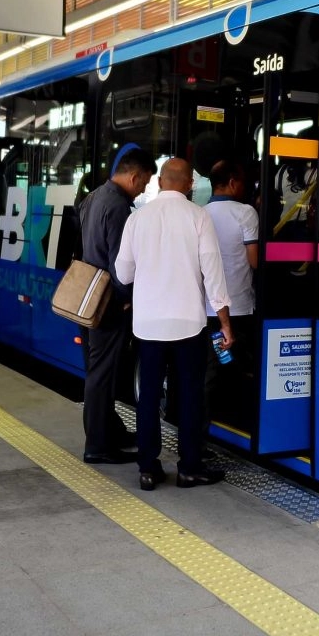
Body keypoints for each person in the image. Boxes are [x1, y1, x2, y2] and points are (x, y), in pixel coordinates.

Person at [115, 157, 233, 491]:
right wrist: (225, 322)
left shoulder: (138, 219)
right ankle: (189, 468)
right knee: (190, 395)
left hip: (149, 324)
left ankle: (148, 469)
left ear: (161, 182)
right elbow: (213, 272)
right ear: (188, 185)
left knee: (149, 395)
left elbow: (123, 273)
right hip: (188, 325)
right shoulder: (199, 217)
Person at [76, 147, 156, 464]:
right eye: (144, 183)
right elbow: (121, 263)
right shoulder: (120, 207)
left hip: (87, 296)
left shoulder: (93, 197)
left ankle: (109, 431)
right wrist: (127, 300)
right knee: (102, 375)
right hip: (107, 302)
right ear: (134, 176)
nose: (143, 189)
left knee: (96, 371)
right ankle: (98, 445)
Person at [203, 160, 259, 431]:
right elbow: (255, 260)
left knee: (212, 367)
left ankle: (205, 426)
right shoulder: (246, 213)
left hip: (205, 308)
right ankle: (220, 423)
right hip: (237, 307)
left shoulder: (199, 213)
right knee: (228, 368)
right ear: (234, 182)